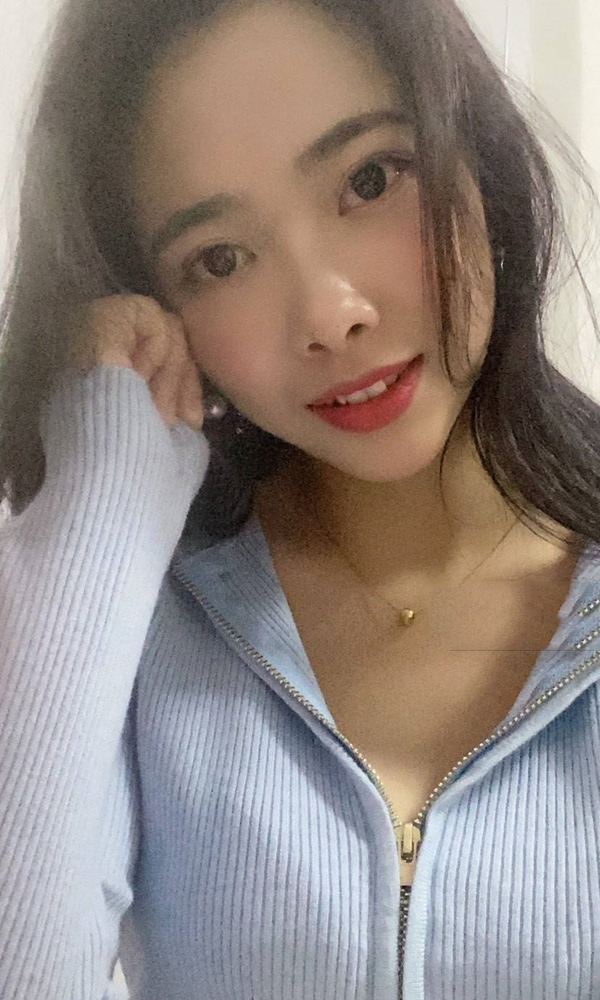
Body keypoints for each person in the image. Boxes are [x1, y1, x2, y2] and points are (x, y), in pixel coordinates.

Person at [1, 0, 600, 997]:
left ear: (476, 152)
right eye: (219, 259)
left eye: (370, 178)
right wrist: (100, 500)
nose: (329, 315)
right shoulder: (130, 618)